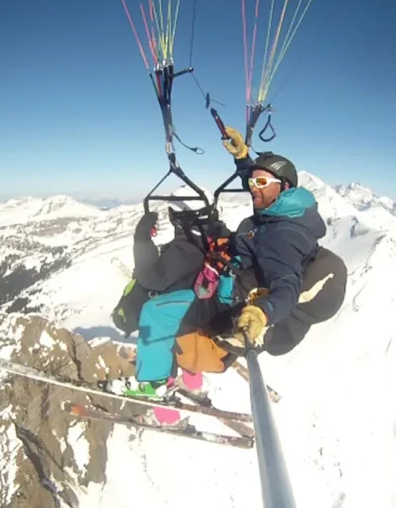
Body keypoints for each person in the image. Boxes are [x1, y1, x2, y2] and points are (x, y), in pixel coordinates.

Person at [110, 125, 347, 400]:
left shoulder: (283, 236)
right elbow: (262, 183)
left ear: (285, 187)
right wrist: (243, 159)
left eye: (260, 184)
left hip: (223, 301)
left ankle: (154, 382)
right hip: (225, 281)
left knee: (156, 311)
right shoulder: (285, 208)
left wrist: (262, 313)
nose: (252, 189)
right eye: (251, 183)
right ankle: (181, 369)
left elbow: (288, 286)